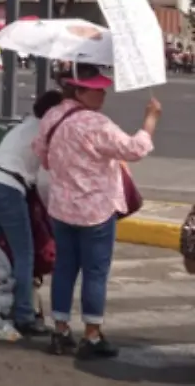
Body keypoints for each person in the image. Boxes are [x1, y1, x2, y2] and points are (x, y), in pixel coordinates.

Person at [32, 64, 160, 360]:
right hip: (96, 210)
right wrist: (150, 120)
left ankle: (61, 331)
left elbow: (42, 154)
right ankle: (92, 334)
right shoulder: (96, 124)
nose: (103, 93)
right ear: (79, 90)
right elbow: (134, 149)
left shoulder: (52, 117)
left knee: (64, 269)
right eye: (97, 89)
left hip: (62, 207)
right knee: (95, 272)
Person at [0, 89, 65, 338]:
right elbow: (45, 183)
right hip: (9, 189)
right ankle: (25, 315)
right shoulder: (45, 133)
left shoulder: (23, 126)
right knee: (23, 255)